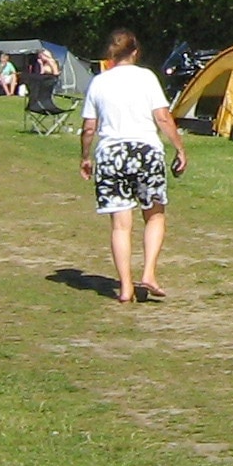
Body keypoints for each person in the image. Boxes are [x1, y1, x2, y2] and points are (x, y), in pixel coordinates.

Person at [79, 28, 188, 305]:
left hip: (111, 153)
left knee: (120, 225)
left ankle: (126, 287)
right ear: (136, 51)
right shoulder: (147, 78)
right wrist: (179, 148)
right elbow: (162, 117)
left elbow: (89, 127)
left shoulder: (99, 82)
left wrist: (85, 156)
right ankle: (149, 272)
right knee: (154, 215)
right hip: (145, 151)